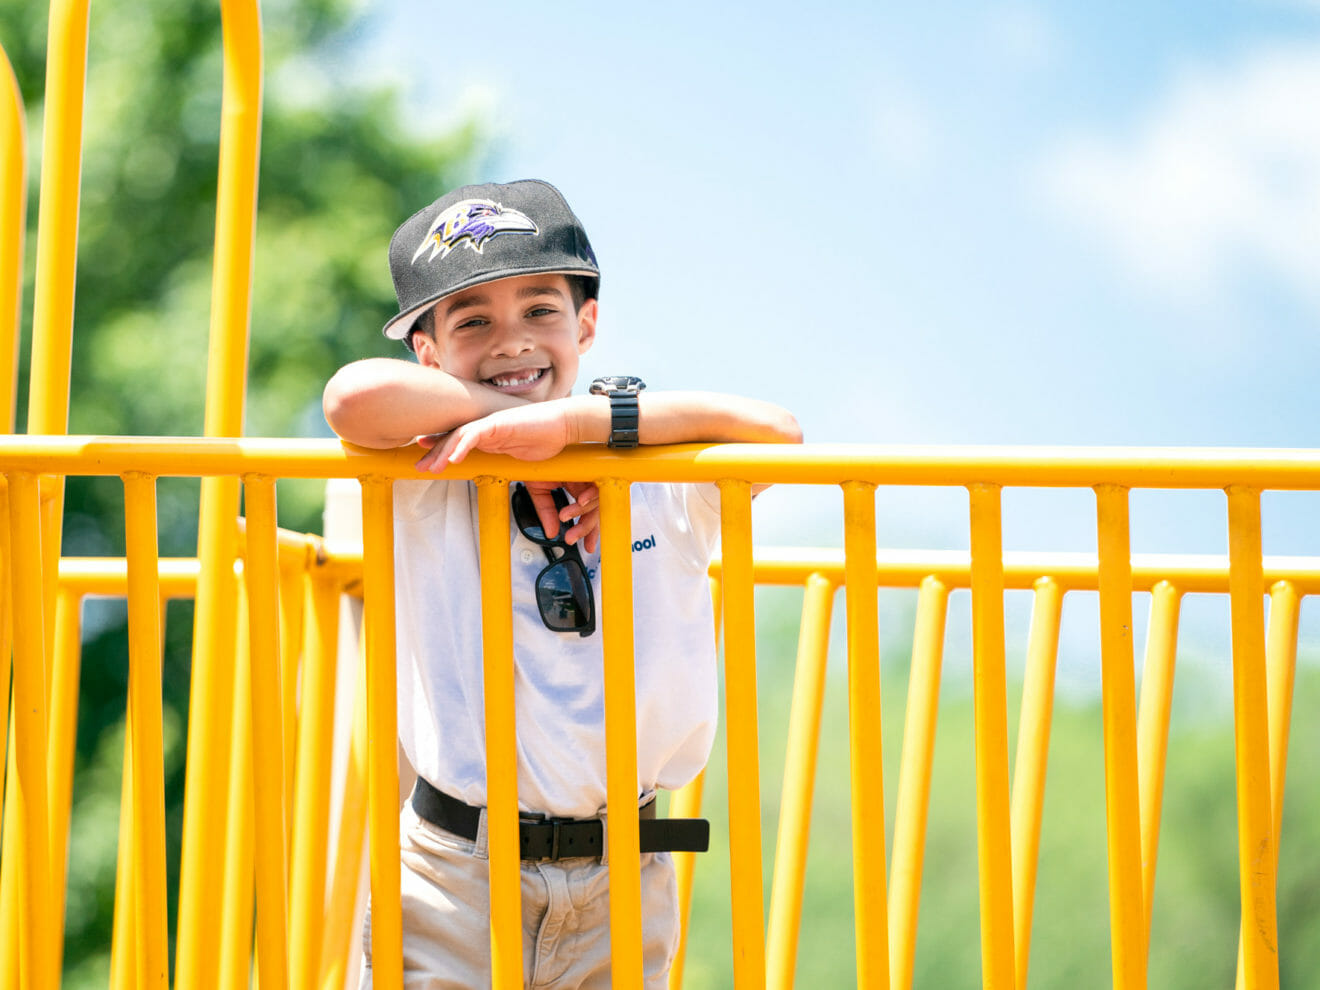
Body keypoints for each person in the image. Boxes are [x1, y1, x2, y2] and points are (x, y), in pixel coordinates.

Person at [322, 178, 801, 988]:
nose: (512, 341)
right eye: (474, 321)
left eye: (540, 311)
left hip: (623, 874)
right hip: (454, 874)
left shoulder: (658, 474)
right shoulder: (433, 470)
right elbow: (350, 399)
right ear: (430, 354)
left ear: (586, 325)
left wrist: (576, 428)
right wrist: (501, 429)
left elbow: (778, 433)